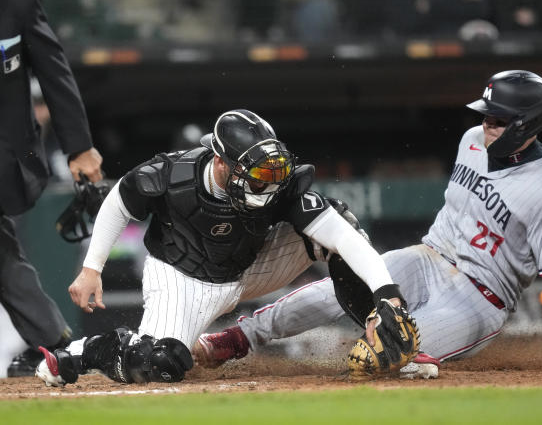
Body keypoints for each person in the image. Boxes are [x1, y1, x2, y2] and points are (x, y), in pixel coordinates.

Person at [194, 70, 542, 375]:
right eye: (486, 117)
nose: (486, 126)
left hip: (479, 296)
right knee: (333, 291)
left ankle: (418, 367)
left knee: (380, 359)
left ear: (526, 124)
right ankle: (237, 338)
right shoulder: (471, 140)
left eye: (498, 120)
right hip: (428, 258)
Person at [35, 109, 412, 387]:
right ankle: (86, 352)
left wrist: (389, 297)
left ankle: (383, 338)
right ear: (220, 162)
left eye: (269, 175)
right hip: (184, 279)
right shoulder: (168, 175)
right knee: (161, 363)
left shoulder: (275, 185)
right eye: (255, 176)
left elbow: (342, 237)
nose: (266, 185)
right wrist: (92, 267)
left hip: (253, 264)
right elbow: (118, 201)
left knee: (343, 225)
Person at [1, 0, 103, 377]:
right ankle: (56, 344)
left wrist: (79, 147)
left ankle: (56, 343)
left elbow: (53, 71)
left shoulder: (15, 5)